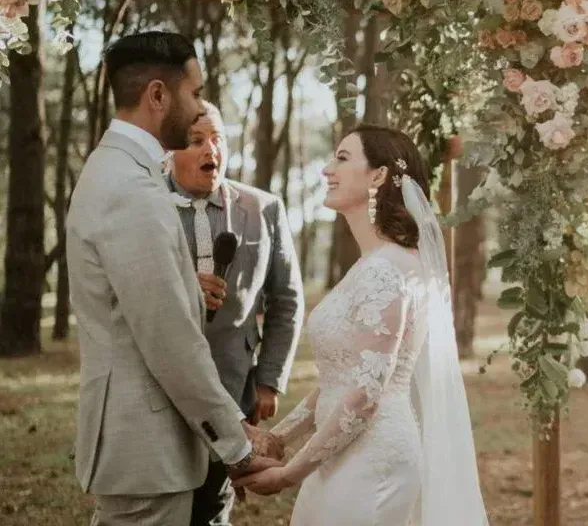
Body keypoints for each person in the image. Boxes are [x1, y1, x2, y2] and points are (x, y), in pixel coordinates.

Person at [66, 32, 278, 525]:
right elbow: (171, 340)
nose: (201, 104)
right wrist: (236, 445)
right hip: (146, 452)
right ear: (158, 95)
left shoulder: (122, 171)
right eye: (196, 92)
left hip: (144, 449)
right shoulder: (130, 188)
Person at [235, 125, 488, 525]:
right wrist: (279, 437)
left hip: (372, 460)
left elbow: (366, 392)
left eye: (342, 157)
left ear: (378, 175)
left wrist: (289, 473)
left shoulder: (387, 270)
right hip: (341, 452)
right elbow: (341, 376)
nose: (327, 169)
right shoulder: (373, 265)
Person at [167, 101, 304, 526]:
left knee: (213, 506)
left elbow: (286, 299)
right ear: (169, 150)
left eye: (217, 138)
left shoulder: (263, 208)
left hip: (233, 386)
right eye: (196, 140)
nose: (211, 149)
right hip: (164, 387)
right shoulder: (145, 205)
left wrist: (269, 379)